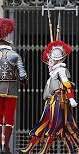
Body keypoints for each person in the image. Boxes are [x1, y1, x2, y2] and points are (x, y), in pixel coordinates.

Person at [15, 40, 79, 154]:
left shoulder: (61, 70)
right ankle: (29, 149)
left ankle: (41, 151)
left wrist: (71, 98)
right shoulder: (54, 72)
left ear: (55, 60)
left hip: (58, 102)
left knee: (53, 127)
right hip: (51, 102)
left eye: (50, 60)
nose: (48, 63)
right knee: (54, 127)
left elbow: (67, 84)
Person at [0, 18, 27, 154]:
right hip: (11, 89)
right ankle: (6, 146)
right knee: (9, 118)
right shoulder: (15, 55)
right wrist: (24, 81)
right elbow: (22, 76)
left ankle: (0, 143)